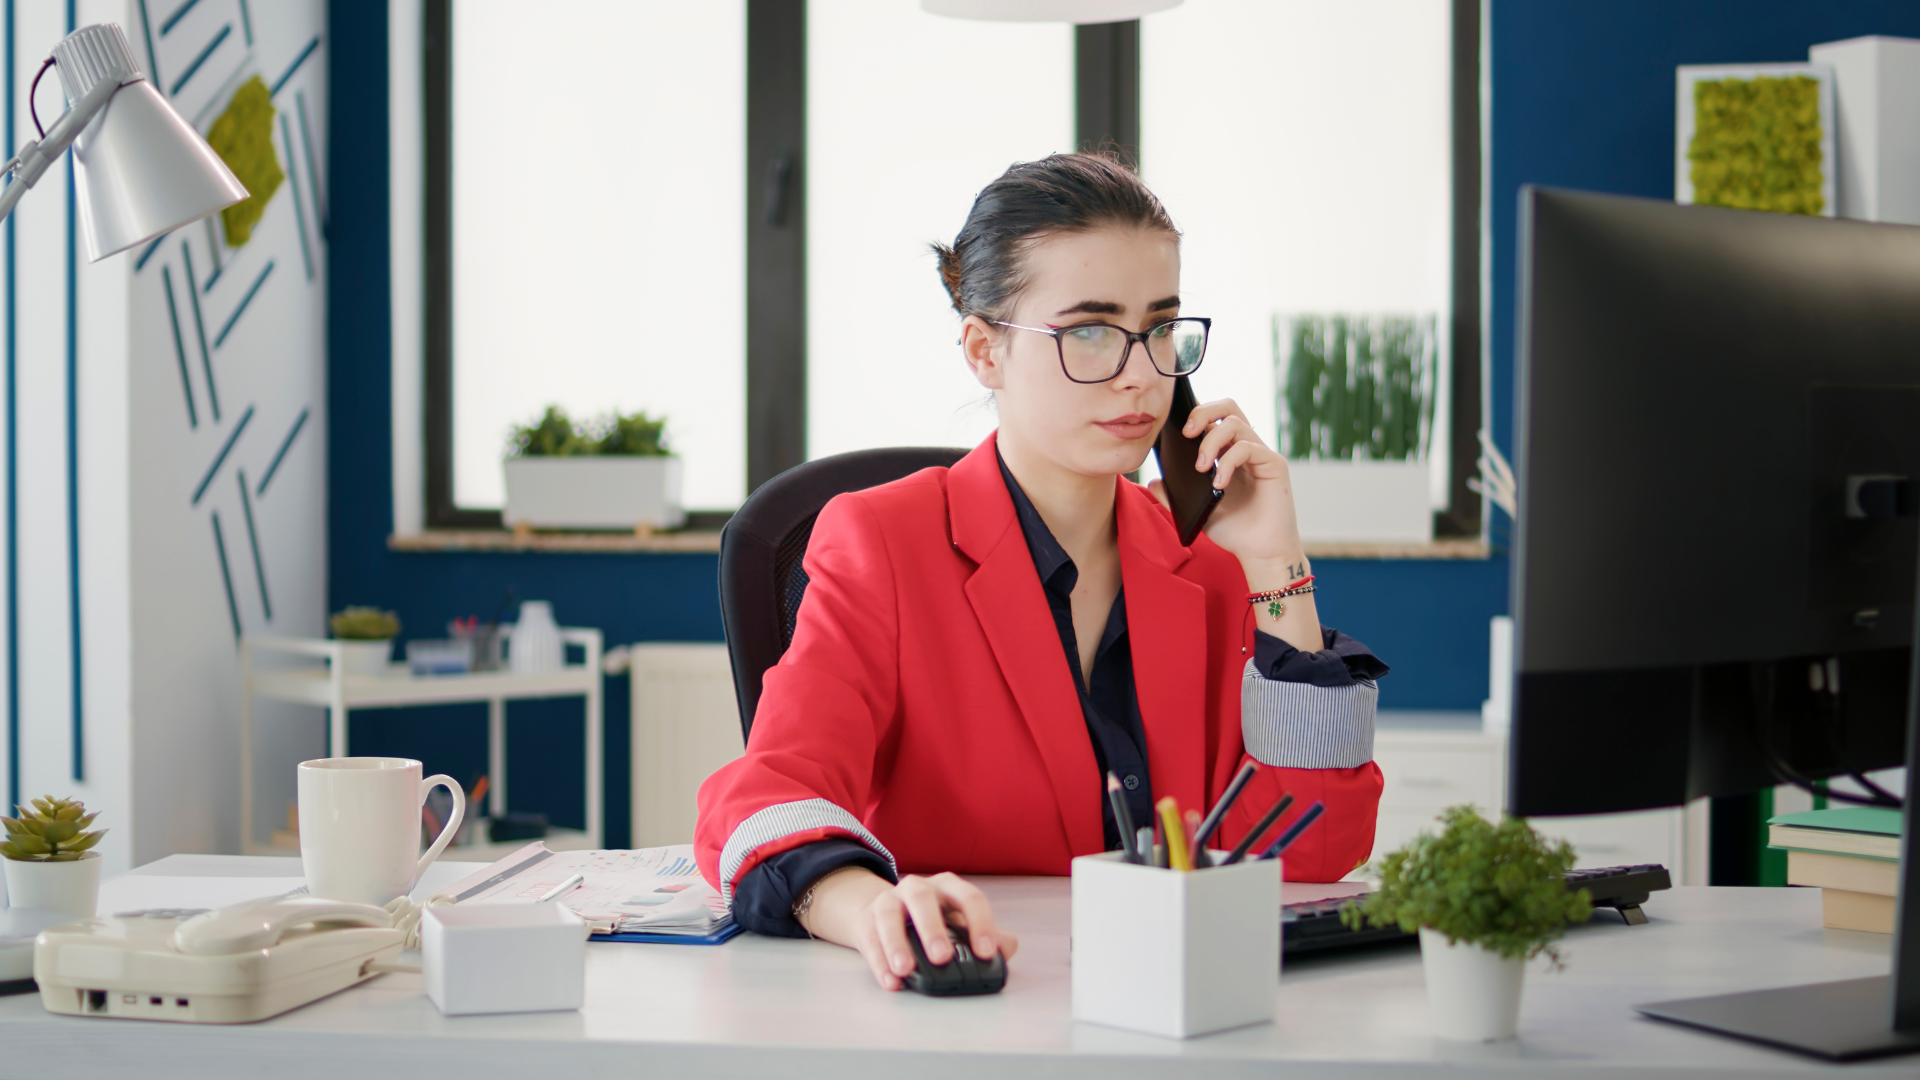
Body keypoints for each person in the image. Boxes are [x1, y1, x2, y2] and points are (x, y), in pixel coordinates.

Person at [696, 153, 1386, 991]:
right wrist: (867, 907)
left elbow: (1313, 853)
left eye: (1161, 328)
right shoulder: (880, 542)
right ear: (984, 352)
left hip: (1173, 1005)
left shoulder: (1210, 561)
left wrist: (1277, 566)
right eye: (1089, 331)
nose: (1140, 374)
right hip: (965, 1006)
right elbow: (768, 796)